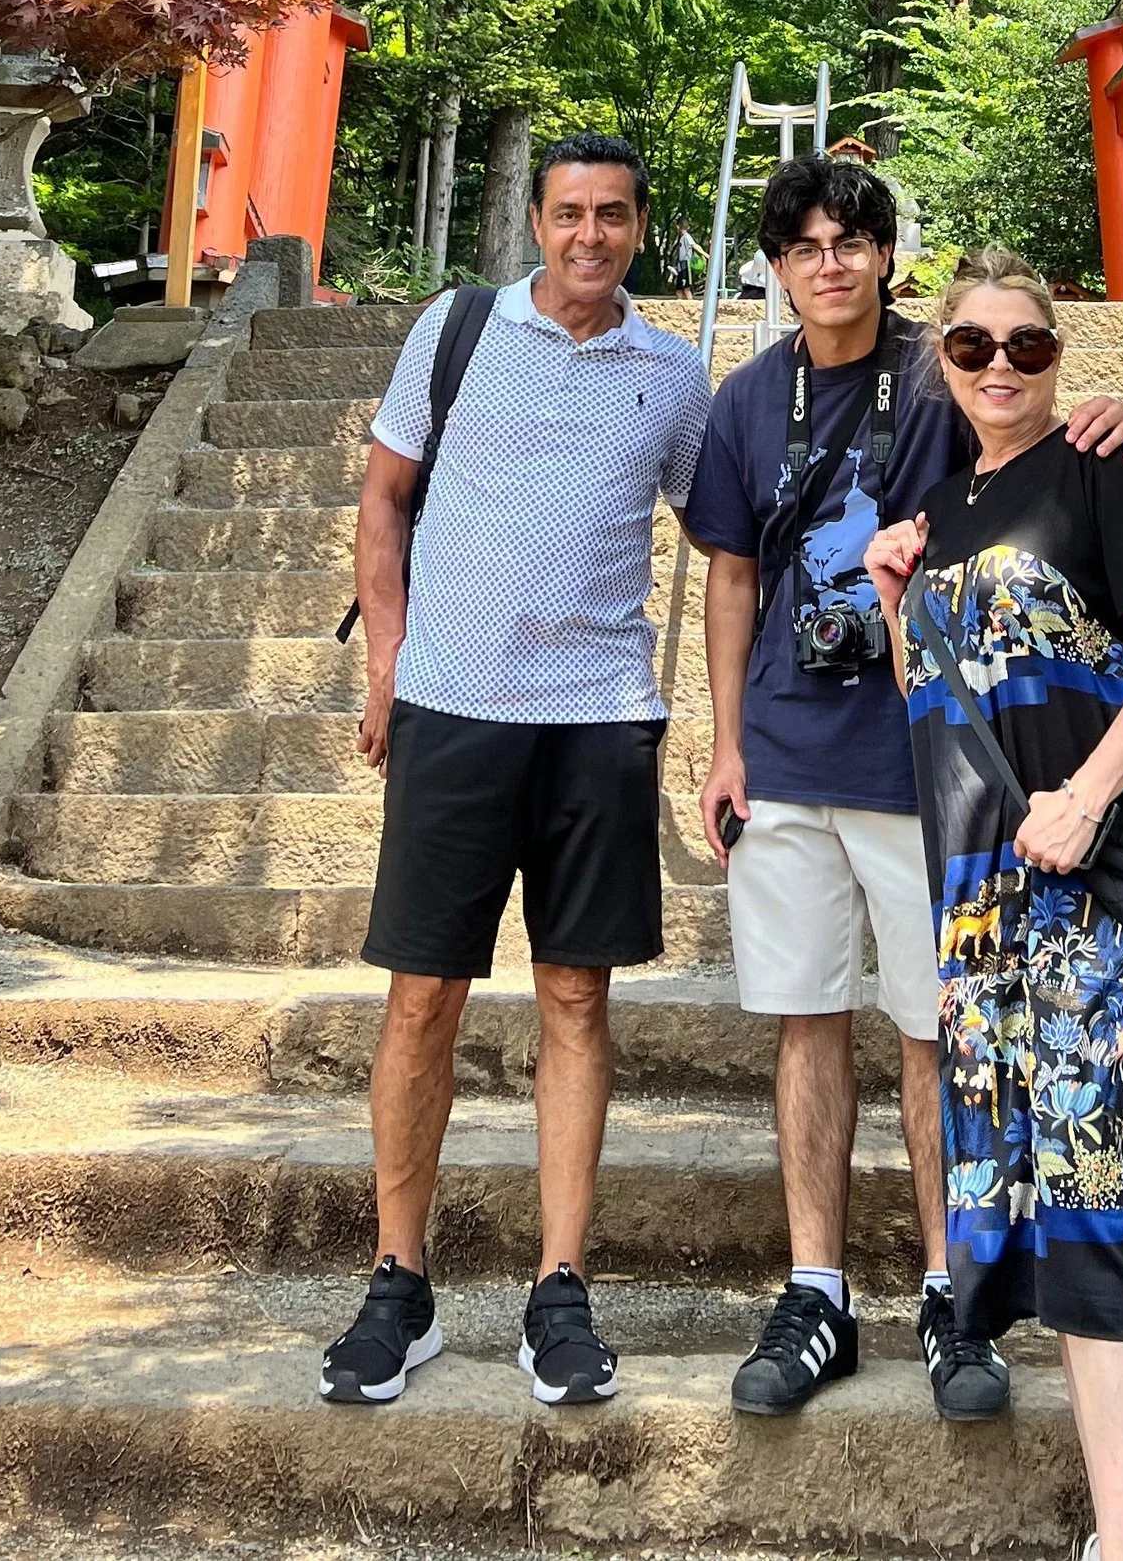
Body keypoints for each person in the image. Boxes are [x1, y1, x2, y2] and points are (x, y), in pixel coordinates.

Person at [684, 156, 1123, 1423]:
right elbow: (733, 580)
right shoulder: (741, 402)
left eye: (851, 240)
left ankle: (954, 1291)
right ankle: (819, 1287)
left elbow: (1026, 420)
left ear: (887, 255)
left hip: (924, 764)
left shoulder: (935, 374)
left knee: (936, 1027)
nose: (828, 262)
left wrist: (1101, 408)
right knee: (803, 1021)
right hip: (783, 750)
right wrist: (725, 742)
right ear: (773, 270)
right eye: (802, 246)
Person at [319, 133, 710, 1413]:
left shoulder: (673, 377)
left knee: (576, 999)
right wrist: (385, 665)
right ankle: (397, 1281)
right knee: (421, 997)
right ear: (534, 224)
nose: (586, 236)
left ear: (640, 228)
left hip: (598, 717)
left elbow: (730, 538)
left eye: (610, 215)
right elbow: (383, 496)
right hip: (452, 708)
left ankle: (559, 1289)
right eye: (565, 214)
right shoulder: (457, 328)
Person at [865, 251, 1123, 1561]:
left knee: (1097, 1204)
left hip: (1095, 897)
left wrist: (1086, 793)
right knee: (1027, 1210)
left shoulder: (1102, 468)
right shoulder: (943, 510)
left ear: (1059, 353)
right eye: (974, 346)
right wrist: (902, 597)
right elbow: (934, 709)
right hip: (981, 915)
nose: (1004, 366)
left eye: (1029, 345)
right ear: (939, 361)